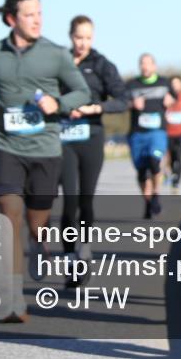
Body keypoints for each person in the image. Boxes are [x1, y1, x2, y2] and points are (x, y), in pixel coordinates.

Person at [0, 0, 91, 322]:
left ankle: (39, 242)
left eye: (39, 13)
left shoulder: (55, 54)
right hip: (5, 146)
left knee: (38, 219)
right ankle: (13, 300)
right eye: (29, 15)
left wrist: (59, 103)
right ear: (11, 19)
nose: (37, 20)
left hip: (45, 149)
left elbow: (82, 91)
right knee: (10, 215)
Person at [59, 15, 129, 286]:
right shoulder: (59, 63)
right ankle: (68, 257)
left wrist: (94, 108)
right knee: (69, 201)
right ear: (70, 36)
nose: (82, 43)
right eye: (78, 37)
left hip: (91, 136)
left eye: (87, 38)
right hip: (63, 137)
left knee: (85, 199)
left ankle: (84, 249)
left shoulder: (101, 64)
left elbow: (123, 100)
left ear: (93, 38)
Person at [126, 54, 171, 219]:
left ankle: (156, 195)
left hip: (157, 131)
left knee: (155, 162)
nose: (145, 67)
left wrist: (170, 100)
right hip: (137, 133)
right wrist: (132, 104)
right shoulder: (131, 85)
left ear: (154, 66)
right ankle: (148, 201)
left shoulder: (164, 83)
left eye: (148, 64)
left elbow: (175, 97)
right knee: (142, 172)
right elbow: (121, 102)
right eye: (142, 64)